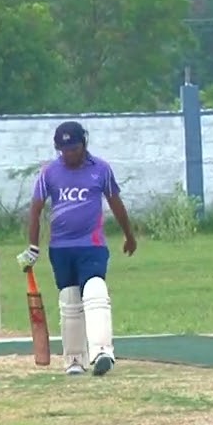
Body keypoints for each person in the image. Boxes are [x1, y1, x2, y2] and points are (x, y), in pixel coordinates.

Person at [16, 122, 138, 376]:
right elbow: (36, 209)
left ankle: (102, 351)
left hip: (91, 244)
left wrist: (129, 235)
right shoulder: (49, 172)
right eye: (64, 150)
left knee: (94, 288)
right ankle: (74, 359)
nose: (69, 154)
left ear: (84, 144)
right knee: (70, 298)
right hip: (60, 248)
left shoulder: (101, 169)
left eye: (74, 148)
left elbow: (115, 203)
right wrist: (33, 247)